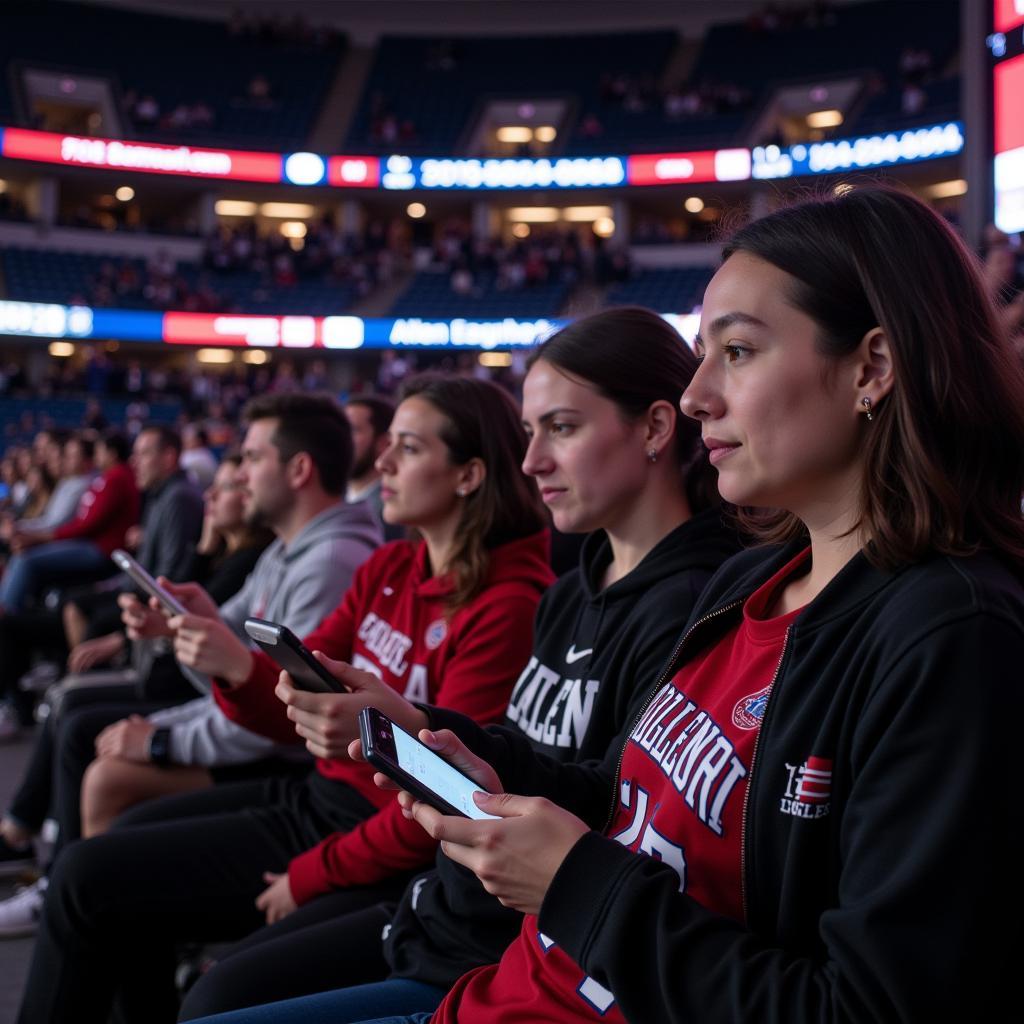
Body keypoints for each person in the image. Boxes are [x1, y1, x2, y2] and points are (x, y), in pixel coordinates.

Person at [246, 185, 1023, 1024]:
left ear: (871, 367)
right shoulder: (751, 581)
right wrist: (461, 751)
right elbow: (620, 792)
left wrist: (579, 885)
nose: (696, 398)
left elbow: (866, 1010)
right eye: (701, 354)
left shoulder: (953, 638)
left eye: (738, 352)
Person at [177, 307, 739, 1020]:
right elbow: (526, 768)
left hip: (513, 949)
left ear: (657, 429)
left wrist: (406, 764)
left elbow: (612, 809)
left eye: (561, 429)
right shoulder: (570, 591)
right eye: (532, 433)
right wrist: (412, 727)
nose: (533, 460)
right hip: (440, 909)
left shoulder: (690, 607)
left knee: (215, 995)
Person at [18, 376, 553, 1024]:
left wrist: (311, 874)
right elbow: (288, 693)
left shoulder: (505, 607)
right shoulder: (388, 568)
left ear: (469, 475)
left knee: (125, 913)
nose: (380, 463)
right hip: (317, 801)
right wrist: (238, 668)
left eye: (407, 449)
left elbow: (444, 798)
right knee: (95, 867)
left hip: (380, 841)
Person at [0, 394, 379, 935]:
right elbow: (224, 670)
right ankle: (68, 896)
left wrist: (158, 737)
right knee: (95, 747)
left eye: (250, 459)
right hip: (267, 746)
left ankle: (70, 903)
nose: (240, 476)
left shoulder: (332, 561)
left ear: (298, 469)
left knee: (105, 782)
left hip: (292, 766)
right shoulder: (286, 551)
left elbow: (275, 716)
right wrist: (180, 629)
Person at [0, 431, 139, 613]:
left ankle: (5, 619)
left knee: (26, 560)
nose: (95, 457)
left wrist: (38, 538)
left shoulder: (116, 478)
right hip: (91, 544)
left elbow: (85, 526)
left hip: (101, 551)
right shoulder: (107, 478)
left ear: (112, 454)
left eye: (99, 451)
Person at [344, 395, 402, 541]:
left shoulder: (391, 515)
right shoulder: (331, 500)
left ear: (384, 443)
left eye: (352, 430)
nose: (340, 437)